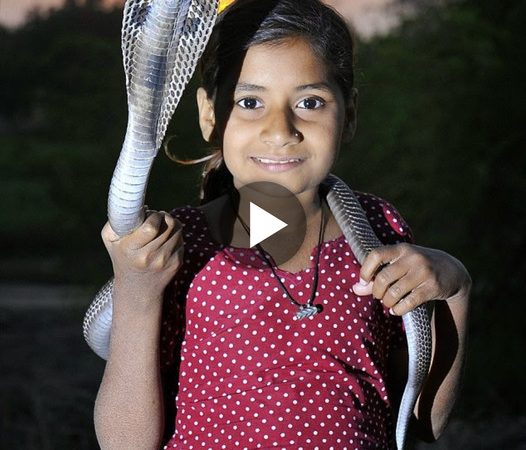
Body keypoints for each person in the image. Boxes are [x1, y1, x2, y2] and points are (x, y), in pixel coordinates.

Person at [93, 0, 471, 449]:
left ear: (348, 115)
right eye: (249, 102)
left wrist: (456, 287)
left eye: (310, 102)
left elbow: (421, 424)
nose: (280, 129)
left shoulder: (379, 228)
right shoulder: (176, 250)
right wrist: (136, 292)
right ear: (209, 116)